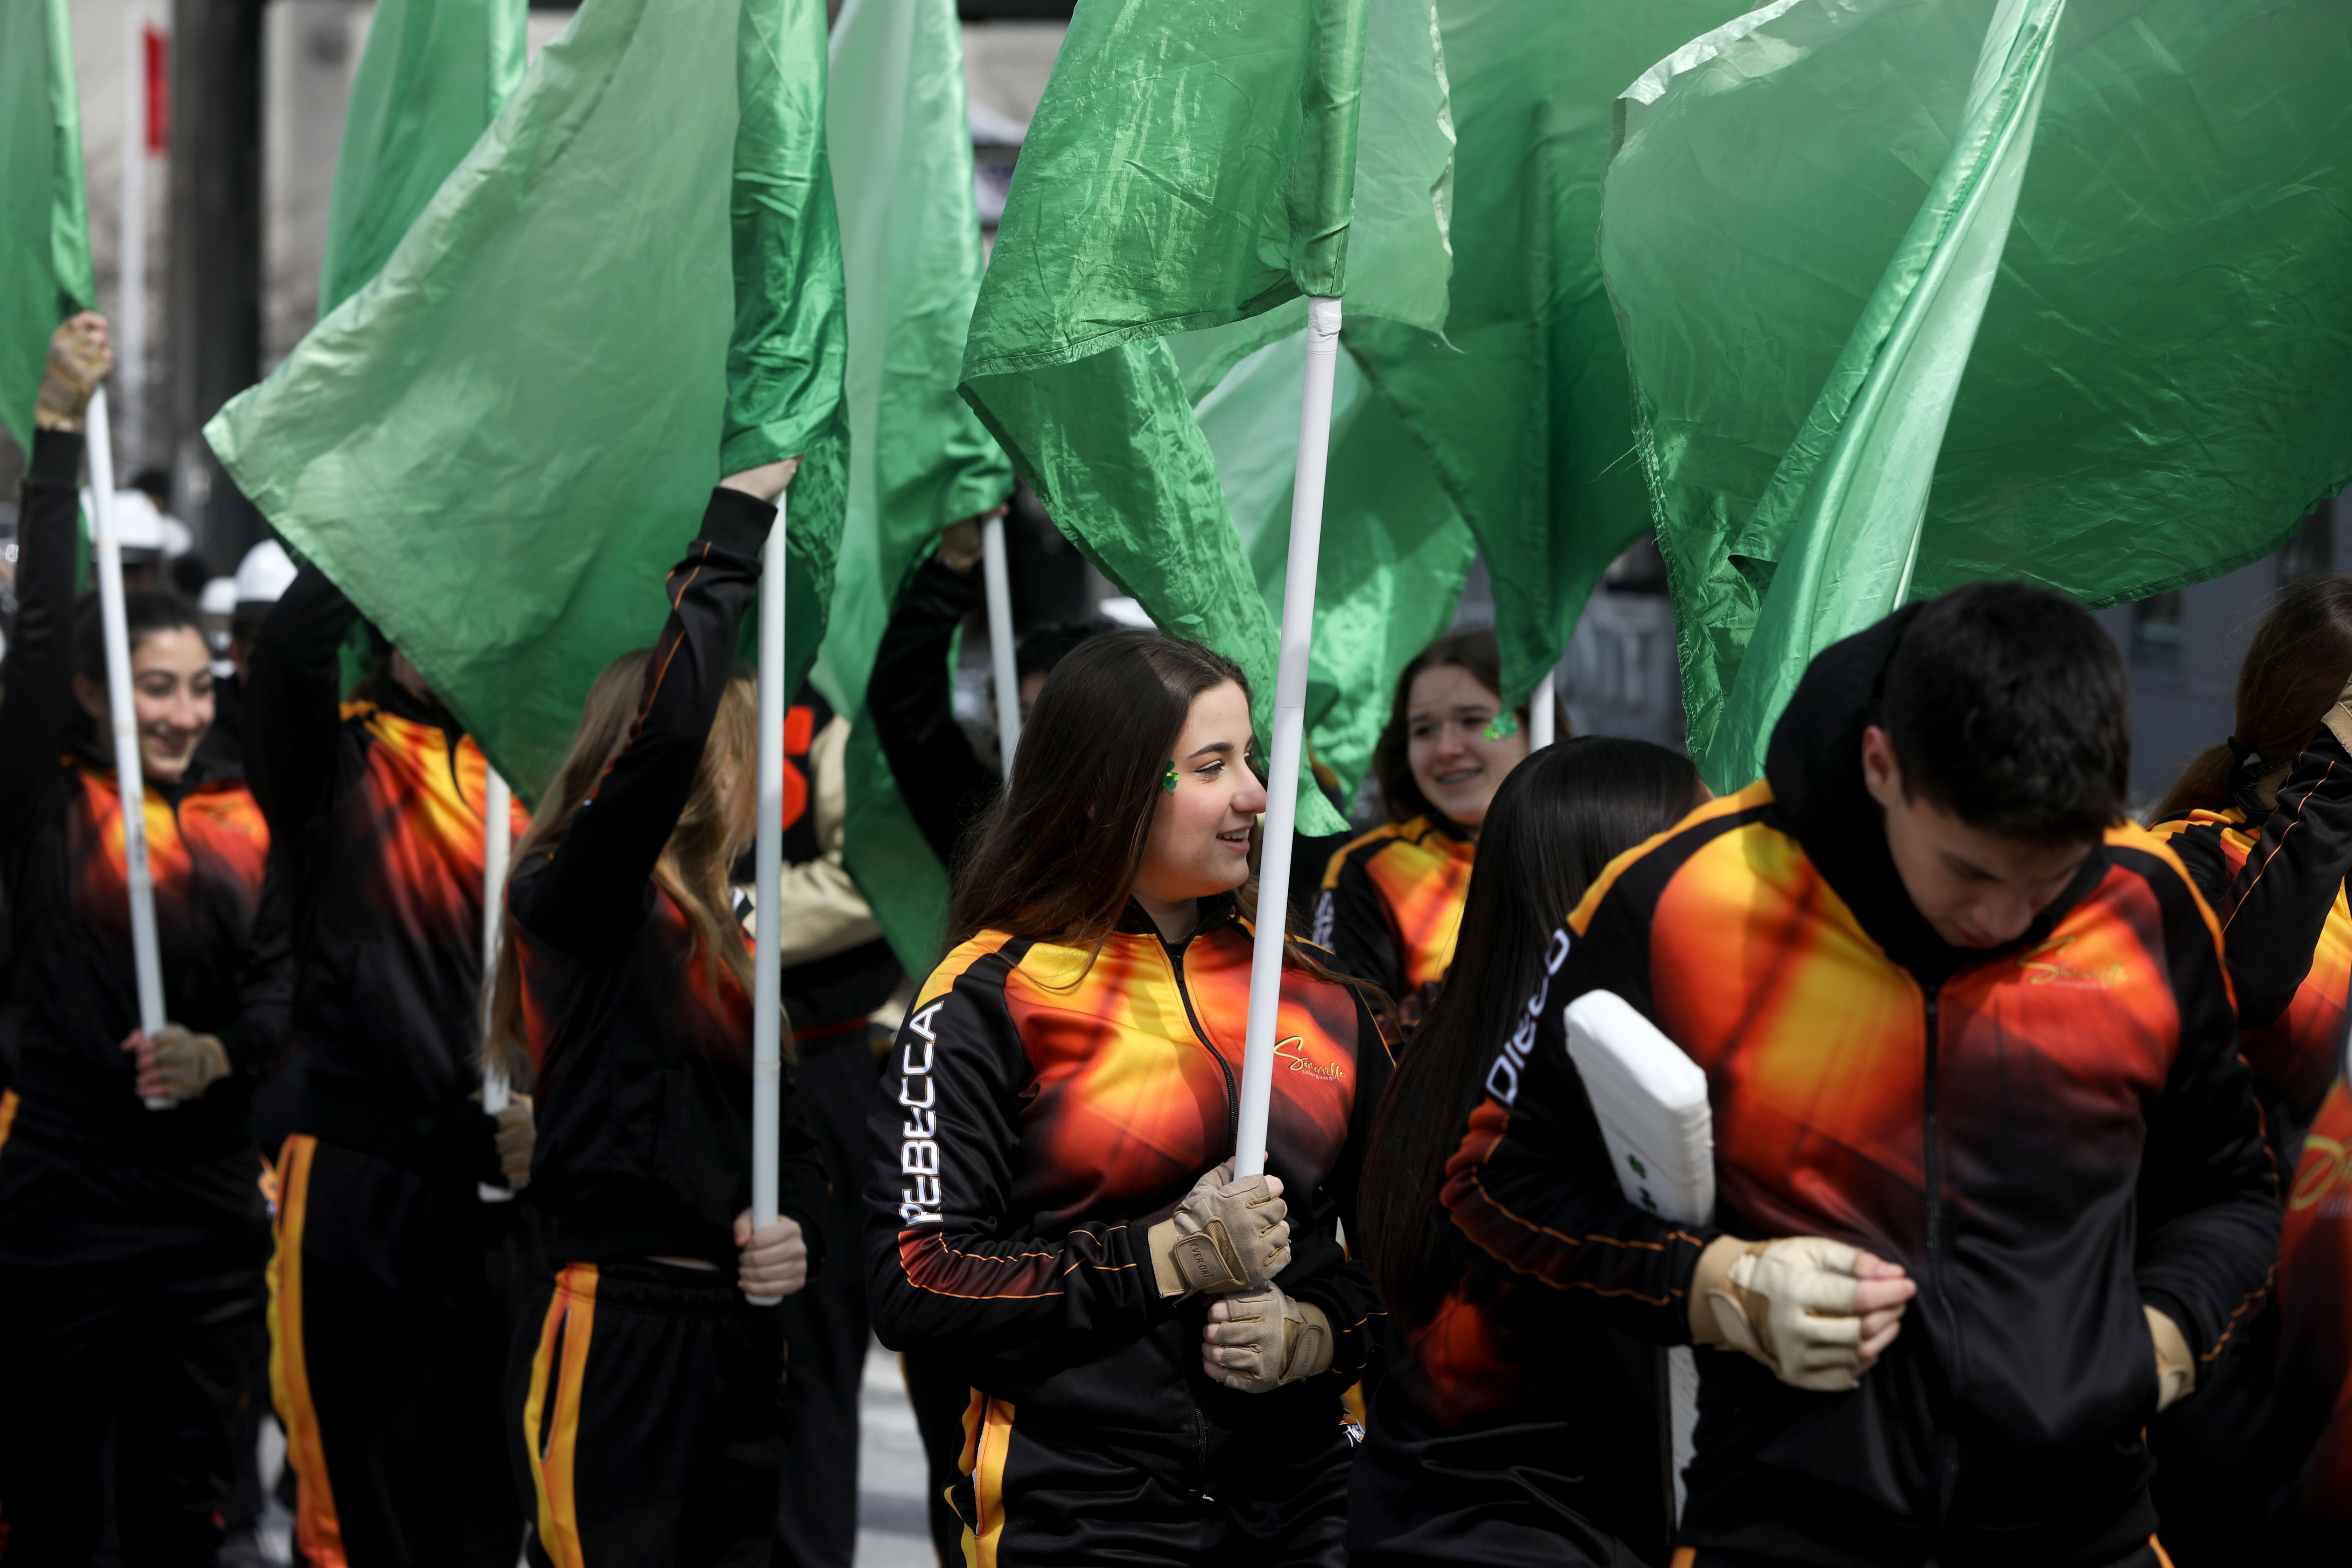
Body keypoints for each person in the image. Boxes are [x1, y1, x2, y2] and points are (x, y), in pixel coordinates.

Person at [1442, 583, 2278, 1567]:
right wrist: (1724, 1286)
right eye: (1968, 871)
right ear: (1882, 765)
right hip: (1782, 1535)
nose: (2005, 921)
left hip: (2090, 1532)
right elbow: (1497, 1181)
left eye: (2051, 882)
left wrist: (2158, 1349)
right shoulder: (1683, 895)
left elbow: (2231, 1194)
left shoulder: (2149, 898)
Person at [866, 629, 1394, 1568]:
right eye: (1211, 766)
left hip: (1310, 1497)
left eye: (1251, 759)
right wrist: (1162, 1258)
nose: (1257, 796)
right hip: (1078, 1506)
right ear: (1107, 787)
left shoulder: (1322, 996)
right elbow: (917, 1279)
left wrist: (1317, 1336)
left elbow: (1420, 1268)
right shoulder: (990, 994)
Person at [489, 457, 828, 1566]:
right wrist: (733, 531)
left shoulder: (732, 944)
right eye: (741, 758)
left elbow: (798, 1142)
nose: (756, 790)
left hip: (735, 1334)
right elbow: (667, 737)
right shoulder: (574, 897)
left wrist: (796, 1234)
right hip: (616, 1322)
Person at [0, 314, 289, 1561]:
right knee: (50, 1496)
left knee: (187, 1503)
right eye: (153, 688)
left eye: (196, 688)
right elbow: (40, 640)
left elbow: (285, 1000)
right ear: (102, 697)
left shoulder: (251, 819)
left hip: (209, 1203)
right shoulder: (49, 799)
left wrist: (220, 1057)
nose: (177, 712)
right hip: (63, 1190)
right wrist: (58, 439)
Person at [241, 554, 536, 1567]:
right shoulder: (333, 759)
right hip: (361, 1175)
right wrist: (385, 525)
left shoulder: (545, 772)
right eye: (418, 608)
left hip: (508, 1189)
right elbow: (285, 648)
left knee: (493, 1504)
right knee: (366, 1507)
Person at [1351, 736, 1707, 1568]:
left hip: (1410, 1523)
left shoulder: (1438, 1058)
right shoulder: (1599, 1101)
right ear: (1619, 878)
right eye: (1699, 846)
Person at [2141, 576, 2352, 1559]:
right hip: (2207, 1331)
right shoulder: (2190, 860)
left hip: (2316, 1334)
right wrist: (2334, 776)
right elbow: (2255, 980)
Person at [738, 682, 901, 1568]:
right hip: (692, 1063)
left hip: (819, 1063)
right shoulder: (660, 689)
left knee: (812, 1366)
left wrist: (724, 915)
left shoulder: (831, 712)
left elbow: (865, 873)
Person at [1313, 630, 1550, 1030]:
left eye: (1474, 721)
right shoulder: (1369, 868)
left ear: (1532, 721)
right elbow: (1349, 1042)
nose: (1446, 749)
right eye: (1424, 730)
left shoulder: (1603, 844)